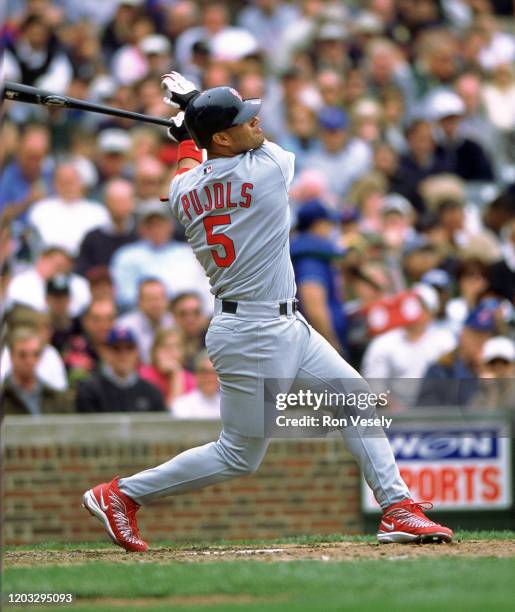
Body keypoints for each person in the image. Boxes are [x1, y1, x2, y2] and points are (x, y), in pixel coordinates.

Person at [83, 73, 453, 552]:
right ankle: (121, 494)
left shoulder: (182, 193)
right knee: (238, 455)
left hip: (279, 322)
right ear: (219, 136)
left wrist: (190, 134)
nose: (254, 121)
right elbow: (206, 155)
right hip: (254, 330)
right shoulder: (268, 168)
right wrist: (190, 111)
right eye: (240, 119)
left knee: (357, 400)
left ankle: (397, 507)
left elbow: (186, 170)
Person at [290, 200, 347, 354]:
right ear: (318, 224)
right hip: (317, 347)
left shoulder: (308, 250)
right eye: (329, 224)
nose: (331, 229)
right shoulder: (310, 256)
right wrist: (332, 345)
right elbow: (314, 306)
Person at [76, 327, 166, 413]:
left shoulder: (151, 392)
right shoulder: (90, 391)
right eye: (116, 348)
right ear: (106, 352)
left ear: (137, 352)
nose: (123, 354)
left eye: (129, 348)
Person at [1, 326, 73, 415]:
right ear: (11, 356)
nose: (29, 361)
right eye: (22, 355)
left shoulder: (58, 399)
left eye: (35, 354)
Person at [75, 178, 138, 277]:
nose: (119, 206)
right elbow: (82, 272)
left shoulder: (141, 235)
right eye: (115, 201)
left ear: (132, 203)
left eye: (123, 201)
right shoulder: (92, 239)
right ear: (106, 203)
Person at [117, 278, 174, 363]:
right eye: (150, 299)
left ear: (167, 301)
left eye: (159, 298)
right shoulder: (125, 326)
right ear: (139, 301)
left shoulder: (173, 322)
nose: (156, 304)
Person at [138, 327, 196, 408]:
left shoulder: (191, 380)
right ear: (155, 351)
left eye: (176, 347)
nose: (170, 351)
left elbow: (179, 412)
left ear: (184, 352)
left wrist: (177, 374)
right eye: (165, 346)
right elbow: (165, 415)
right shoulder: (143, 375)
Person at [172, 351, 220, 419]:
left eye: (214, 372)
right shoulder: (182, 404)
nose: (209, 378)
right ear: (196, 375)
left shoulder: (229, 405)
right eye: (205, 372)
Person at [169, 291, 208, 371]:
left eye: (196, 313)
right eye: (183, 314)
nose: (190, 319)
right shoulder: (166, 348)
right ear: (173, 317)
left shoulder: (216, 344)